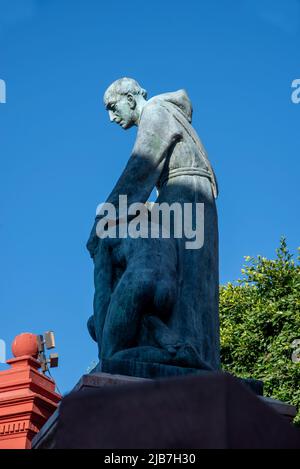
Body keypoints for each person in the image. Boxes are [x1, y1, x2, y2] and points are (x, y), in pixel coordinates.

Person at [87, 77, 220, 372]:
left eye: (113, 107)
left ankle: (191, 356)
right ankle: (181, 349)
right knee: (187, 281)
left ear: (130, 99)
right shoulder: (165, 112)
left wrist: (103, 219)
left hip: (185, 196)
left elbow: (142, 166)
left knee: (189, 282)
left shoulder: (156, 111)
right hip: (179, 197)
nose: (112, 117)